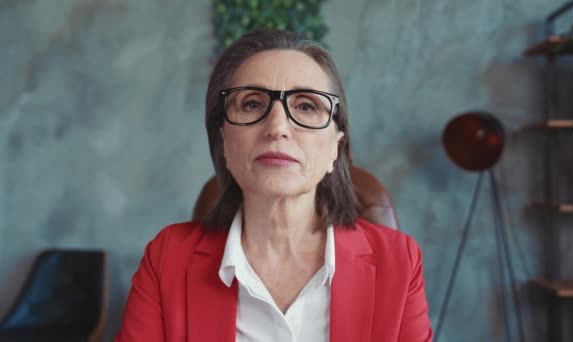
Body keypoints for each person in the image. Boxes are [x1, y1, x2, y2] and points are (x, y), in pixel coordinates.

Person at [115, 29, 433, 342]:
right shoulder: (167, 257)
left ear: (336, 145)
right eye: (252, 104)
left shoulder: (399, 262)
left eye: (306, 106)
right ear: (223, 138)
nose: (278, 127)